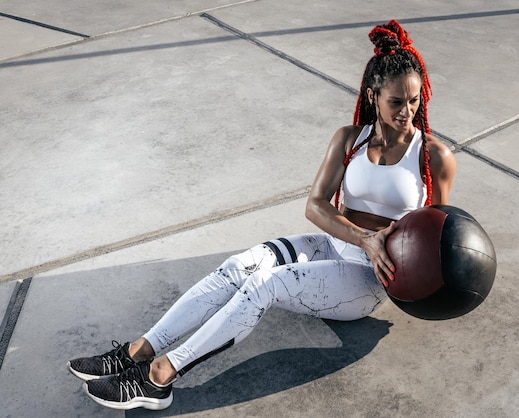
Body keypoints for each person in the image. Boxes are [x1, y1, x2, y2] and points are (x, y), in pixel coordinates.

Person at [67, 19, 456, 411]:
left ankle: (158, 378)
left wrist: (415, 285)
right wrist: (361, 237)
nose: (407, 111)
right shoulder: (349, 139)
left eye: (414, 100)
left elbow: (439, 234)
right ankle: (137, 351)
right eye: (396, 101)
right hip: (332, 244)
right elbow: (315, 206)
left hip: (369, 277)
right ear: (373, 96)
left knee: (264, 286)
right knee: (237, 267)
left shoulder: (434, 156)